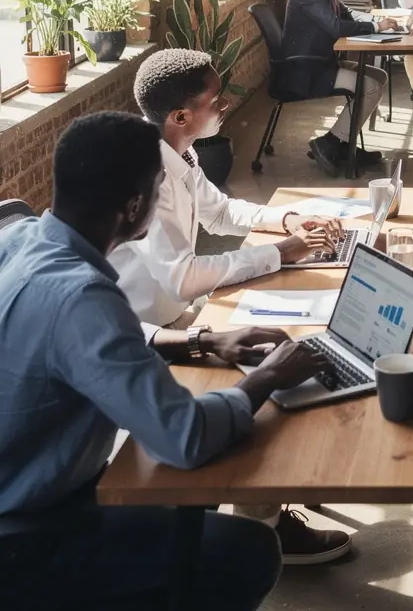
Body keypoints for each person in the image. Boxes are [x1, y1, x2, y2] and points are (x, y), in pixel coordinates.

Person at [0, 111, 331, 610]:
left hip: (22, 495)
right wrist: (266, 378)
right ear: (134, 207)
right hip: (26, 539)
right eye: (158, 190)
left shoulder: (19, 236)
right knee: (247, 550)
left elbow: (75, 344)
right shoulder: (84, 298)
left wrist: (198, 342)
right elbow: (185, 438)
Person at [108, 48, 354, 566]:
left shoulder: (181, 153)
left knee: (284, 341)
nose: (225, 107)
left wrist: (286, 220)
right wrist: (278, 254)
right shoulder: (148, 173)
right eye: (215, 101)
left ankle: (271, 499)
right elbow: (183, 276)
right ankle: (264, 529)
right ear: (181, 116)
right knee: (265, 383)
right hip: (152, 331)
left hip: (175, 315)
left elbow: (221, 212)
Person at [281, 0, 397, 176]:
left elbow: (346, 13)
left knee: (379, 76)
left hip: (319, 63)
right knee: (371, 86)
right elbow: (335, 25)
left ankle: (345, 145)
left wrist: (374, 20)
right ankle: (330, 143)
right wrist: (376, 27)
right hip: (306, 70)